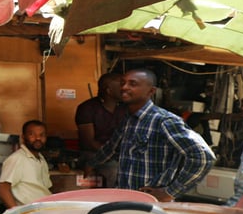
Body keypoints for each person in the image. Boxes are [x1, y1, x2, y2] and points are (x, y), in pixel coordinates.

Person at [92, 68, 215, 201]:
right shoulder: (128, 120)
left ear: (151, 91)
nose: (124, 87)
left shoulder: (164, 121)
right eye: (122, 83)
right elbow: (111, 148)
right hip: (126, 199)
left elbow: (203, 156)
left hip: (152, 203)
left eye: (132, 84)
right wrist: (91, 164)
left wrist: (170, 192)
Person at [76, 72, 127, 184]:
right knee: (114, 169)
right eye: (121, 86)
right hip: (91, 153)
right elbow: (88, 142)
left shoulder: (125, 108)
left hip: (118, 154)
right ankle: (116, 200)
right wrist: (113, 154)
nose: (125, 88)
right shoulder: (87, 108)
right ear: (109, 91)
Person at [0, 120, 52, 208]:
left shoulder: (41, 159)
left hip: (43, 212)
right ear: (23, 137)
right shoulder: (18, 158)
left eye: (42, 135)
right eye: (32, 134)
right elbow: (2, 189)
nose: (38, 138)